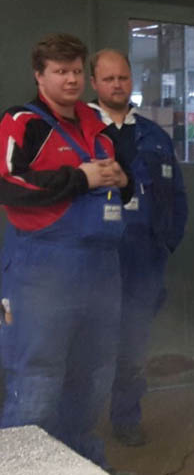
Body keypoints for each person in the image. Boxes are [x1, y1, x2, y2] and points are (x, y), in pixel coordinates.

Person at [0, 33, 131, 468]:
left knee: (92, 376)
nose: (71, 79)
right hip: (42, 272)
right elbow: (7, 184)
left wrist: (122, 180)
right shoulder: (23, 122)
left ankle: (79, 464)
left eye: (76, 70)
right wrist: (80, 178)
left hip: (101, 270)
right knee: (37, 380)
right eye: (60, 71)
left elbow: (120, 186)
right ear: (40, 76)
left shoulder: (97, 126)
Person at [88, 49, 188, 447]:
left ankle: (126, 419)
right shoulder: (78, 132)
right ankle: (76, 427)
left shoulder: (153, 136)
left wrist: (166, 242)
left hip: (143, 260)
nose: (117, 85)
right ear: (94, 83)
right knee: (86, 347)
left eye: (123, 78)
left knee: (132, 346)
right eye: (108, 79)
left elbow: (176, 195)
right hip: (92, 260)